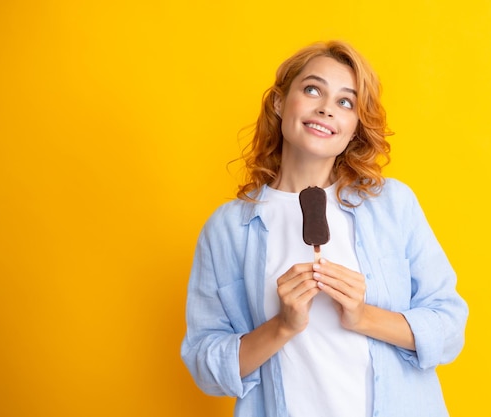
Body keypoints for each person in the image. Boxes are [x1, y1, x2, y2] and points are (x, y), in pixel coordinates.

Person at [181, 40, 468, 417]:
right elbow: (205, 366)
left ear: (354, 128)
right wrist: (282, 326)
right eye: (312, 89)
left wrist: (363, 316)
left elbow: (448, 328)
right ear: (281, 103)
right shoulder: (227, 229)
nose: (326, 109)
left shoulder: (392, 205)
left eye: (345, 102)